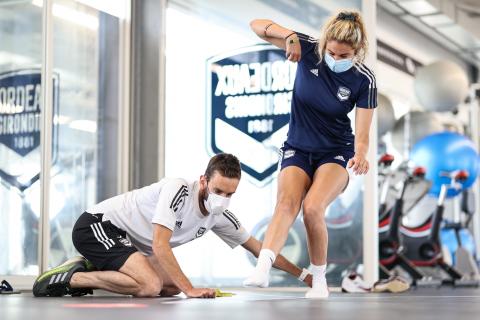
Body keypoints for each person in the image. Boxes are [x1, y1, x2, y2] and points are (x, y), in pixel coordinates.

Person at [33, 153, 312, 298]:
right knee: (150, 286)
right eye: (218, 190)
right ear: (203, 181)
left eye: (229, 194)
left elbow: (261, 249)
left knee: (170, 288)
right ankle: (70, 278)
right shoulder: (178, 190)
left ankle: (100, 266)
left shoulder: (219, 216)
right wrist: (191, 288)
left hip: (126, 244)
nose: (222, 199)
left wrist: (305, 276)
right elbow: (159, 244)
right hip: (98, 226)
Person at [243, 11, 377, 298]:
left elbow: (362, 134)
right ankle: (263, 267)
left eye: (344, 55)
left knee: (313, 208)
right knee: (286, 203)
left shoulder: (364, 79)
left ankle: (319, 280)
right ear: (325, 43)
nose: (336, 59)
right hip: (298, 147)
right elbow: (256, 24)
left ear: (357, 51)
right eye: (332, 52)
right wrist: (288, 36)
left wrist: (361, 154)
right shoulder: (308, 49)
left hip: (336, 151)